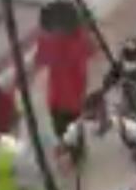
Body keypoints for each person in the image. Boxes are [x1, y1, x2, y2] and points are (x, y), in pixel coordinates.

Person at [36, 9, 94, 161]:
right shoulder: (77, 39)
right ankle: (73, 152)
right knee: (67, 129)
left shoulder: (71, 40)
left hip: (65, 97)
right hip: (64, 97)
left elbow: (42, 58)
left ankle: (73, 153)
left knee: (67, 128)